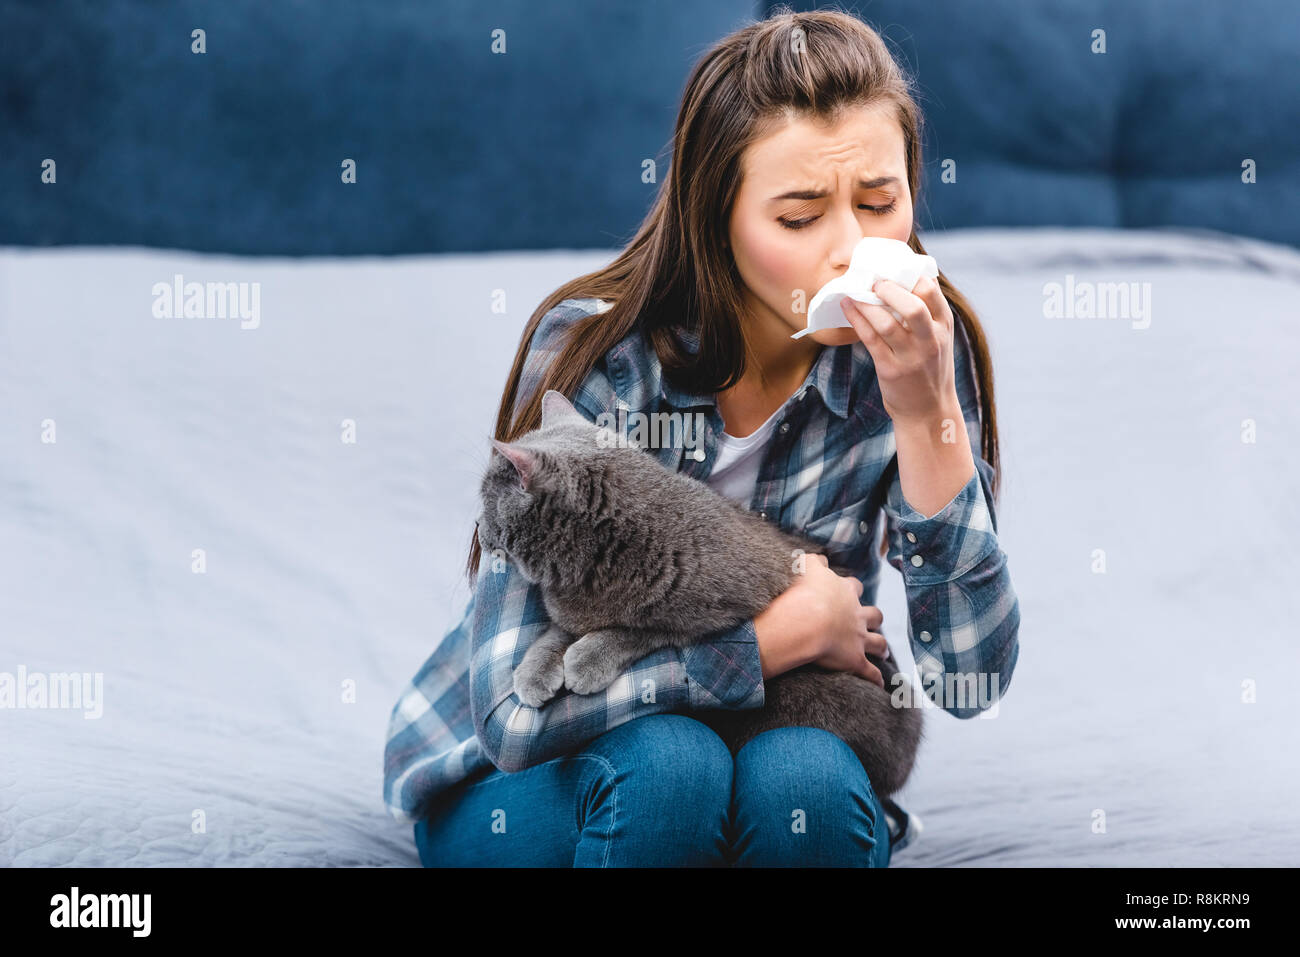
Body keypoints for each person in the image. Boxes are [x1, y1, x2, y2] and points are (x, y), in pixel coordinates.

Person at [384, 5, 1021, 867]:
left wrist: (924, 412)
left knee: (809, 788)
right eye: (799, 218)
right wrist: (772, 641)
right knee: (672, 768)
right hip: (540, 773)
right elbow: (515, 715)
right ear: (715, 218)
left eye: (880, 202)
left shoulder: (918, 358)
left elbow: (967, 677)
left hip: (771, 745)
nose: (852, 248)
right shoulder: (600, 356)